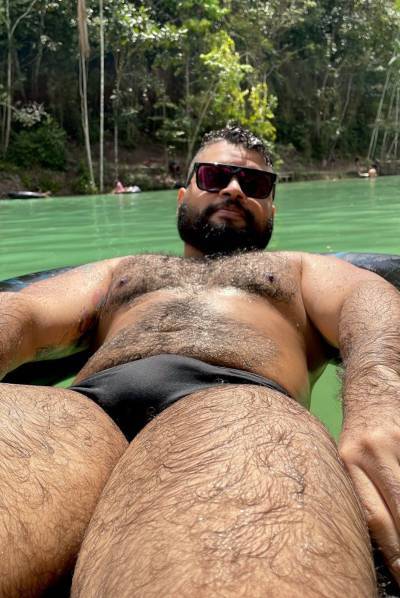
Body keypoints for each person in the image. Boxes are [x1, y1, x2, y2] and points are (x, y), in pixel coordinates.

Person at [0, 126, 399, 597]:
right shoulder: (125, 270)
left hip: (236, 405)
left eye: (254, 184)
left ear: (272, 206)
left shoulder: (297, 268)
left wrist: (380, 402)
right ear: (183, 193)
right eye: (214, 176)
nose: (234, 189)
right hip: (85, 409)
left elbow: (365, 298)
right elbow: (27, 312)